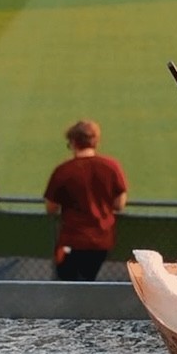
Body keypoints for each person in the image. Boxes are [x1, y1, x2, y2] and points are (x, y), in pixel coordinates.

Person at [44, 119, 128, 282]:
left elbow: (51, 208)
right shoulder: (111, 167)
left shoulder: (64, 171)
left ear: (73, 142)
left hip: (71, 240)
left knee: (68, 287)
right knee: (89, 281)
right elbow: (119, 204)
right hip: (102, 240)